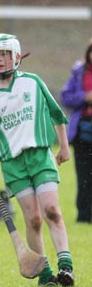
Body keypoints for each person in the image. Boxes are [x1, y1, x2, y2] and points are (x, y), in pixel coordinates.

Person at [0, 33, 74, 287]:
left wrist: (63, 146)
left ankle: (66, 266)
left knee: (51, 210)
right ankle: (44, 273)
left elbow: (56, 113)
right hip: (13, 165)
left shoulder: (32, 81)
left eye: (3, 55)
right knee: (33, 219)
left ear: (16, 56)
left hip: (40, 156)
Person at [61, 39, 92, 223]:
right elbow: (66, 97)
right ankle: (84, 215)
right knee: (84, 176)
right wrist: (85, 97)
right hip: (82, 133)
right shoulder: (79, 73)